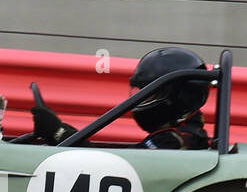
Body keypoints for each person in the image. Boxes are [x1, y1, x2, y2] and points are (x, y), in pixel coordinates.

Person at [24, 46, 213, 149]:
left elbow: (118, 168)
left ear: (176, 97)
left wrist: (60, 134)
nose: (142, 100)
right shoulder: (184, 134)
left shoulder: (174, 141)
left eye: (150, 94)